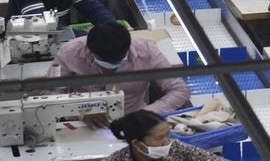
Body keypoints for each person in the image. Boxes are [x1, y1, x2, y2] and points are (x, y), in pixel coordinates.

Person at [52, 22, 189, 124]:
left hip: (135, 121)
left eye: (118, 61)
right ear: (91, 51)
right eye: (105, 62)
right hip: (82, 124)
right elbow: (51, 94)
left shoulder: (146, 51)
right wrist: (81, 112)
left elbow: (179, 90)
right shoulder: (70, 52)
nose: (111, 68)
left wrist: (146, 113)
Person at [107, 110, 226, 161]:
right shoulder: (116, 159)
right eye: (159, 138)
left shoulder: (176, 148)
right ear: (137, 144)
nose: (167, 142)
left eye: (167, 134)